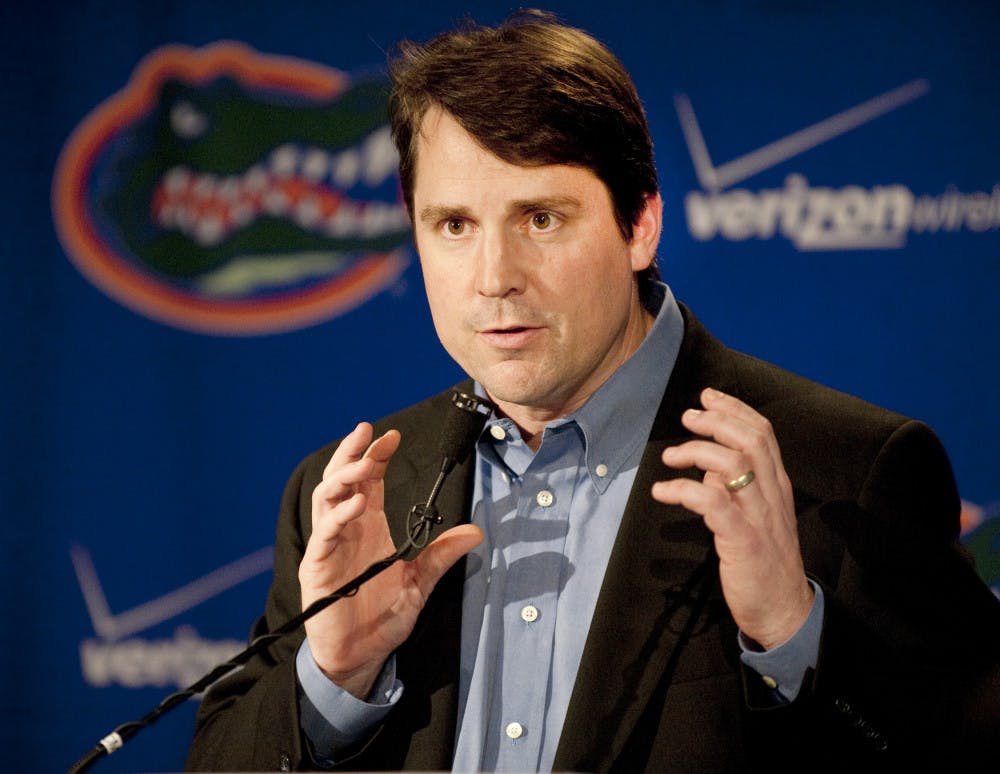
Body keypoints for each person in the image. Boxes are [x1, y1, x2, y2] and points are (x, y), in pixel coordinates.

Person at [185, 10, 1000, 772]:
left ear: (639, 224)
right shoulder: (355, 492)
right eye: (455, 226)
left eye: (541, 219)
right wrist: (336, 678)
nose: (494, 279)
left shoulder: (843, 471)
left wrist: (791, 637)